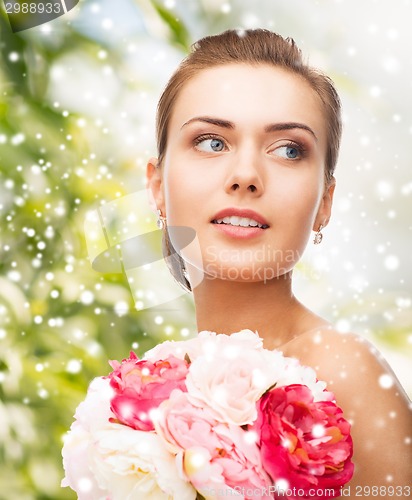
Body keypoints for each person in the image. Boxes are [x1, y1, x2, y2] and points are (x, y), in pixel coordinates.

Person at [146, 29, 411, 495]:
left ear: (325, 201)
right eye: (211, 142)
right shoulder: (156, 385)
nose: (246, 176)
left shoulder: (341, 369)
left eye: (289, 150)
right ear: (156, 187)